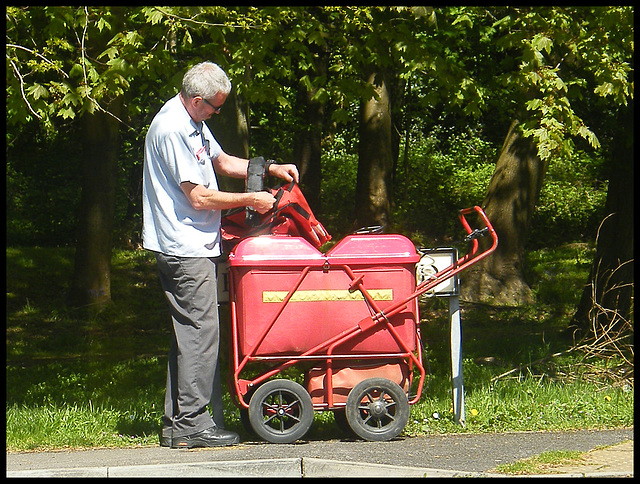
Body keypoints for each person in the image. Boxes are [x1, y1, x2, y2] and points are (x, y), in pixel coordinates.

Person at [142, 61, 299, 448]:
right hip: (184, 248)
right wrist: (251, 199)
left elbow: (223, 162)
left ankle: (178, 424)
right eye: (214, 107)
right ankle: (192, 426)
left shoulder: (192, 121)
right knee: (201, 334)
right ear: (197, 100)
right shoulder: (173, 127)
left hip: (195, 245)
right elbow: (199, 197)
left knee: (191, 335)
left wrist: (270, 168)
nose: (217, 112)